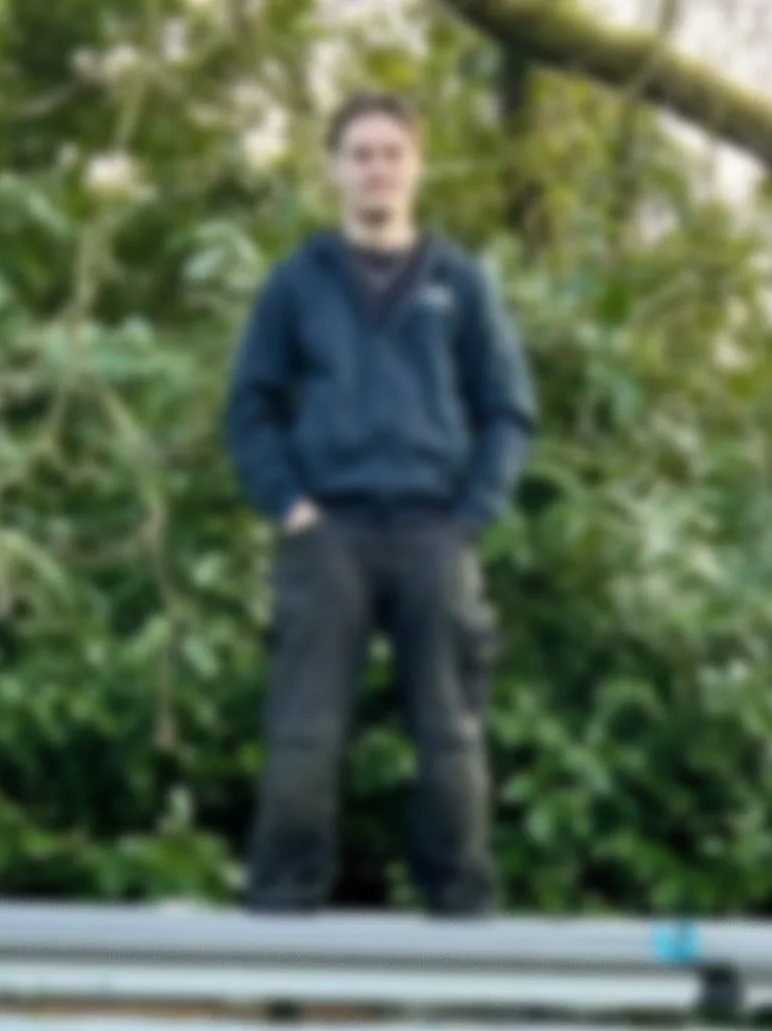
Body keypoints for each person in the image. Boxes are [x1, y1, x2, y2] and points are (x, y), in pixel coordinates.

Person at [224, 88, 537, 919]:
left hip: (435, 529)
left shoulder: (461, 283)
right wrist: (290, 506)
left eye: (391, 153)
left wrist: (472, 516)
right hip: (328, 531)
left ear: (417, 167)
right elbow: (251, 408)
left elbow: (508, 411)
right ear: (335, 170)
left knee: (451, 733)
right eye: (359, 154)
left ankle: (459, 912)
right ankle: (282, 911)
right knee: (303, 733)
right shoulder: (297, 283)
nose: (376, 169)